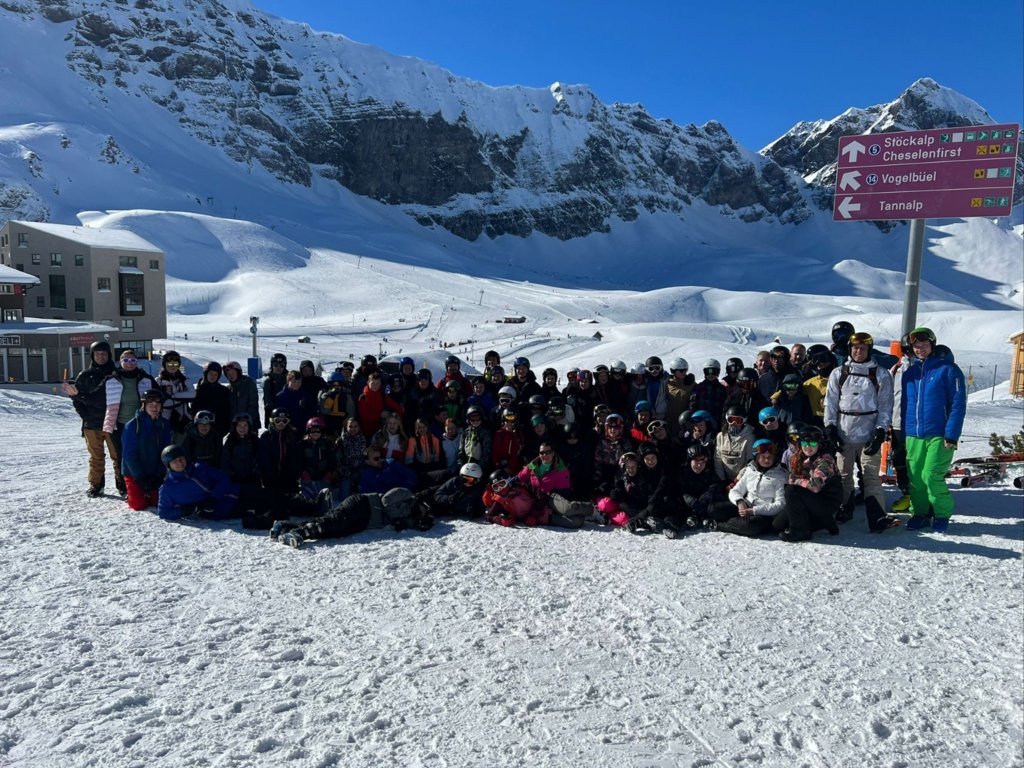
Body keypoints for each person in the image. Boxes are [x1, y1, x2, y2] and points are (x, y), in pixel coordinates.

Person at [824, 331, 900, 532]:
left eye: (863, 348)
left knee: (871, 476)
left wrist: (880, 431)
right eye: (855, 348)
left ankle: (877, 517)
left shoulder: (881, 374)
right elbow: (830, 402)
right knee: (843, 474)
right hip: (844, 432)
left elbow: (886, 405)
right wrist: (830, 427)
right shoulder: (839, 373)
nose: (858, 352)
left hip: (868, 433)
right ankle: (844, 507)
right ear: (850, 349)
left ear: (869, 350)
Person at [901, 328, 967, 533]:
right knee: (916, 478)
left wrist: (952, 434)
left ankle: (941, 514)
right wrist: (903, 433)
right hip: (913, 434)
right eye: (916, 346)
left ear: (932, 345)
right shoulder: (910, 374)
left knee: (931, 475)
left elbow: (958, 404)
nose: (920, 348)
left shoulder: (948, 370)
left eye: (924, 344)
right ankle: (920, 514)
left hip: (940, 433)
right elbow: (905, 406)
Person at [272, 487, 434, 549]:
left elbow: (402, 522)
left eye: (424, 514)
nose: (422, 513)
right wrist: (398, 519)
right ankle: (300, 533)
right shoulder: (406, 494)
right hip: (363, 504)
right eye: (424, 509)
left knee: (335, 531)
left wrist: (414, 523)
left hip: (365, 521)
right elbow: (386, 501)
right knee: (335, 521)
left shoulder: (409, 516)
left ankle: (285, 526)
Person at [63, 340, 124, 497]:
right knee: (96, 457)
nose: (101, 357)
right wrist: (85, 416)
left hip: (113, 423)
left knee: (118, 456)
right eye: (97, 354)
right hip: (92, 424)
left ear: (109, 355)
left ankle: (122, 485)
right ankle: (96, 485)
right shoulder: (84, 375)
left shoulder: (117, 374)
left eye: (104, 354)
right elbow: (76, 399)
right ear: (92, 356)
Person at [706, 439, 787, 537]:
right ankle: (737, 522)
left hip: (764, 513)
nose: (767, 460)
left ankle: (719, 525)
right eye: (763, 457)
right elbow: (735, 490)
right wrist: (740, 502)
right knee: (713, 509)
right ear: (756, 457)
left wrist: (754, 510)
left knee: (749, 526)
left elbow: (780, 504)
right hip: (746, 505)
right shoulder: (750, 470)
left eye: (770, 457)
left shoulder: (780, 475)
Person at [779, 425, 842, 542]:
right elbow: (791, 477)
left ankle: (800, 531)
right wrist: (796, 481)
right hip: (812, 499)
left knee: (791, 490)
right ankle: (824, 522)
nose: (808, 447)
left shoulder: (825, 460)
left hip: (827, 501)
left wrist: (797, 481)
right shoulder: (800, 457)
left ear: (819, 443)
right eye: (804, 443)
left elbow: (815, 486)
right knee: (778, 524)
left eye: (812, 443)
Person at [517, 442, 594, 528]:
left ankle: (592, 510)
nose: (545, 455)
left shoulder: (560, 470)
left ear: (553, 453)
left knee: (567, 509)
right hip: (537, 500)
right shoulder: (533, 466)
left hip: (552, 497)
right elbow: (519, 478)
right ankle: (581, 516)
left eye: (548, 452)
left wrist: (548, 504)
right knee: (576, 522)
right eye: (542, 453)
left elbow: (564, 493)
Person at [121, 389, 174, 510]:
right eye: (150, 404)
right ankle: (133, 493)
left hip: (154, 472)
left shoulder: (164, 425)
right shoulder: (133, 425)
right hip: (135, 474)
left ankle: (148, 492)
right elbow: (129, 455)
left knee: (157, 502)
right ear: (143, 405)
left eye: (157, 404)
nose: (154, 407)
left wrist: (159, 475)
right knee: (138, 505)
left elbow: (165, 452)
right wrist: (140, 477)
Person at [156, 444, 241, 521]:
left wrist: (214, 497)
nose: (180, 463)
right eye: (174, 461)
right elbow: (163, 512)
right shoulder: (168, 487)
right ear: (168, 465)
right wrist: (185, 510)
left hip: (234, 494)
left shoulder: (199, 468)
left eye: (181, 459)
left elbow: (223, 477)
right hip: (218, 512)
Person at [103, 348, 158, 456]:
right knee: (121, 456)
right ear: (120, 362)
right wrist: (77, 394)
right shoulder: (111, 379)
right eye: (126, 360)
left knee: (141, 454)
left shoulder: (146, 379)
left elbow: (159, 395)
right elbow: (96, 397)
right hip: (119, 425)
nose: (130, 363)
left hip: (141, 423)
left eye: (133, 360)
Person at [416, 462, 486, 517]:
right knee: (430, 492)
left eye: (469, 480)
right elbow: (438, 495)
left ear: (476, 481)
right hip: (441, 500)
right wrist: (450, 498)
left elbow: (481, 507)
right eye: (464, 479)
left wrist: (474, 511)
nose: (466, 483)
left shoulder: (477, 491)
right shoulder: (455, 482)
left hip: (448, 510)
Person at [155, 350, 194, 437]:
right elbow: (154, 396)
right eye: (169, 364)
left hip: (181, 415)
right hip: (164, 415)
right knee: (164, 438)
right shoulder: (159, 380)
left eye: (175, 364)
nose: (172, 367)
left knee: (181, 439)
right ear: (164, 365)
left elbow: (192, 393)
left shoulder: (184, 379)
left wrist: (173, 396)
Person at [715, 404, 756, 483]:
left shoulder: (749, 438)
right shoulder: (721, 436)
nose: (734, 423)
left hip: (741, 480)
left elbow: (750, 462)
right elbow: (717, 459)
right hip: (724, 478)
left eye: (738, 420)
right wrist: (722, 479)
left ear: (744, 421)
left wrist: (737, 481)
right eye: (731, 420)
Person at [356, 371, 404, 437]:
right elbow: (364, 416)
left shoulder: (382, 396)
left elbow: (397, 407)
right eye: (373, 383)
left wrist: (398, 420)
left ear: (380, 383)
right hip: (366, 433)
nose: (375, 386)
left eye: (377, 383)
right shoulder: (363, 397)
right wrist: (380, 415)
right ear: (368, 382)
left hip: (381, 432)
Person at [191, 362, 231, 438]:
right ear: (206, 374)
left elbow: (227, 410)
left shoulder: (223, 391)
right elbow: (194, 409)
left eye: (215, 374)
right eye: (211, 374)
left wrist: (225, 427)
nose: (213, 376)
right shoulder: (199, 390)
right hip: (201, 428)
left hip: (218, 429)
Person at [336, 416, 368, 497]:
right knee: (344, 497)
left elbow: (365, 455)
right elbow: (337, 458)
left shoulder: (363, 439)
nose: (353, 429)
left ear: (359, 427)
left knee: (361, 496)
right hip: (346, 472)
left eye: (355, 426)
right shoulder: (341, 440)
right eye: (350, 426)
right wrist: (342, 469)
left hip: (360, 470)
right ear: (346, 427)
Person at [319, 370, 356, 438]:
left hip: (342, 423)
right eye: (333, 385)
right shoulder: (324, 395)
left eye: (339, 384)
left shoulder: (347, 395)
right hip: (328, 423)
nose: (336, 387)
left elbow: (351, 412)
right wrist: (330, 398)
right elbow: (324, 411)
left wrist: (346, 423)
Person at [223, 361, 260, 426]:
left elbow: (253, 406)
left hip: (249, 424)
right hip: (235, 426)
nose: (231, 376)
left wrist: (247, 422)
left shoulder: (248, 383)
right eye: (228, 374)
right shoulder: (229, 388)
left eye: (233, 373)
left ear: (238, 372)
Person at [262, 352, 289, 429]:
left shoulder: (289, 380)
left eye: (281, 366)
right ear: (272, 365)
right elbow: (268, 400)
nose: (278, 368)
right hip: (273, 414)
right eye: (276, 365)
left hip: (287, 415)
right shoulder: (268, 381)